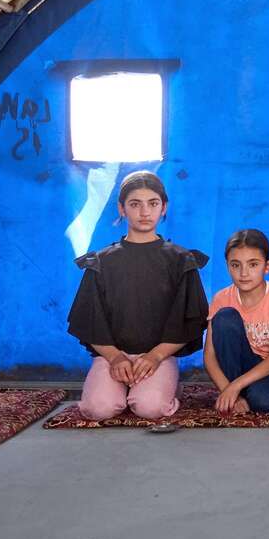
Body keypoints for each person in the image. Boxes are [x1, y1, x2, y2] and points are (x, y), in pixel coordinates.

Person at [67, 171, 209, 420]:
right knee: (99, 409)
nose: (145, 212)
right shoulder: (101, 262)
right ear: (122, 209)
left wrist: (156, 356)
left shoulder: (181, 260)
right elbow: (90, 320)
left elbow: (190, 321)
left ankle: (164, 386)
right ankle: (117, 387)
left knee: (150, 408)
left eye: (152, 203)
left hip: (159, 355)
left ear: (164, 207)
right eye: (135, 204)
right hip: (112, 355)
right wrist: (115, 357)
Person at [203, 229, 269, 413]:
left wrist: (234, 388)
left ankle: (255, 393)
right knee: (225, 316)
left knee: (262, 403)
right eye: (235, 265)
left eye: (253, 264)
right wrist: (229, 390)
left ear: (267, 266)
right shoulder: (221, 298)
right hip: (235, 368)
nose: (244, 273)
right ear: (227, 266)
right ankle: (238, 395)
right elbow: (210, 357)